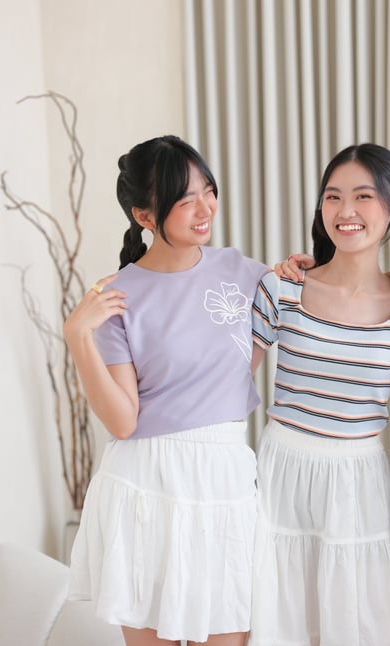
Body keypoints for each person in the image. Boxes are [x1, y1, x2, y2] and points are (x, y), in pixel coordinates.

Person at [63, 135, 268, 646]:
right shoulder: (117, 295)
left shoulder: (245, 274)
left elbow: (323, 302)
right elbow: (122, 421)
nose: (205, 208)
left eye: (208, 190)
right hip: (146, 486)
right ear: (145, 216)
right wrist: (78, 338)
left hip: (223, 480)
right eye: (184, 199)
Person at [248, 143, 390, 646]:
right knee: (280, 619)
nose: (345, 211)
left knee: (355, 624)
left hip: (358, 483)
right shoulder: (282, 289)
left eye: (363, 196)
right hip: (280, 473)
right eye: (333, 197)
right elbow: (230, 388)